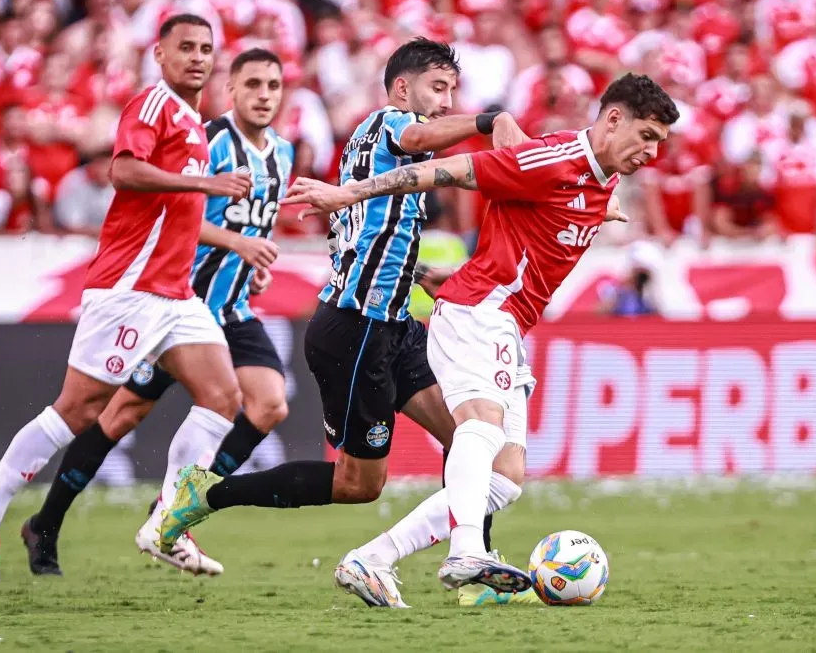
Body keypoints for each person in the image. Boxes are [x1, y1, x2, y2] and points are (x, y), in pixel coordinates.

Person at [156, 38, 535, 608]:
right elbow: (421, 137)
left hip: (394, 322)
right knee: (360, 485)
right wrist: (488, 120)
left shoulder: (391, 152)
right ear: (403, 89)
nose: (446, 101)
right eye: (439, 88)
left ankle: (476, 571)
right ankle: (207, 493)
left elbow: (392, 214)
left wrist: (422, 278)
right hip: (354, 329)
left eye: (454, 91)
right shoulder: (390, 123)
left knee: (469, 442)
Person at [282, 73, 679, 606]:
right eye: (647, 135)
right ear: (613, 119)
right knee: (480, 427)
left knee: (506, 478)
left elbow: (543, 207)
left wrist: (594, 209)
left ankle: (372, 558)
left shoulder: (599, 176)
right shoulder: (552, 159)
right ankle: (467, 549)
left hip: (506, 321)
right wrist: (348, 192)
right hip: (480, 311)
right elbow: (449, 171)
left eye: (659, 142)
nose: (651, 152)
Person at [0, 13, 254, 585]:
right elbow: (123, 171)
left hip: (174, 294)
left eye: (206, 48)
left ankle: (166, 525)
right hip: (128, 289)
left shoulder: (193, 120)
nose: (197, 57)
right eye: (184, 47)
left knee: (222, 396)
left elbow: (179, 219)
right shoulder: (153, 104)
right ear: (160, 56)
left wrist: (235, 241)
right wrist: (203, 184)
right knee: (78, 410)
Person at [18, 47, 292, 578]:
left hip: (230, 310)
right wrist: (237, 243)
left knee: (269, 404)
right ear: (229, 90)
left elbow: (251, 226)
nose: (264, 95)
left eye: (273, 85)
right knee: (119, 415)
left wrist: (252, 261)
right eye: (253, 84)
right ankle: (45, 525)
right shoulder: (209, 141)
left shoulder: (281, 153)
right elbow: (173, 216)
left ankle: (173, 509)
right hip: (173, 308)